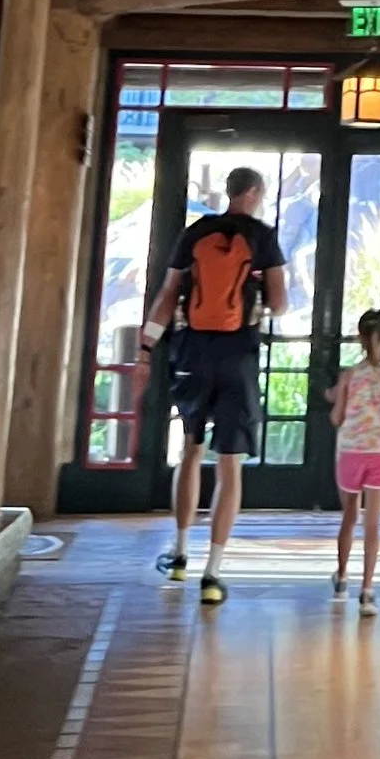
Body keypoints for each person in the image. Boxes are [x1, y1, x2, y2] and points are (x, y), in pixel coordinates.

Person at [138, 164, 287, 606]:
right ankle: (213, 573)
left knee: (190, 450)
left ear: (228, 191)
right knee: (230, 464)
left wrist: (146, 349)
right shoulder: (261, 237)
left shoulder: (195, 233)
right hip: (238, 354)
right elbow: (279, 302)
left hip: (192, 352)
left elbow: (167, 296)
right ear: (256, 192)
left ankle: (180, 552)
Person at [327, 309, 380, 615]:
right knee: (374, 525)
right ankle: (367, 591)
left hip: (351, 453)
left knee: (349, 516)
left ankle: (341, 577)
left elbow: (337, 417)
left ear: (360, 339)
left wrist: (335, 401)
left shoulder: (349, 375)